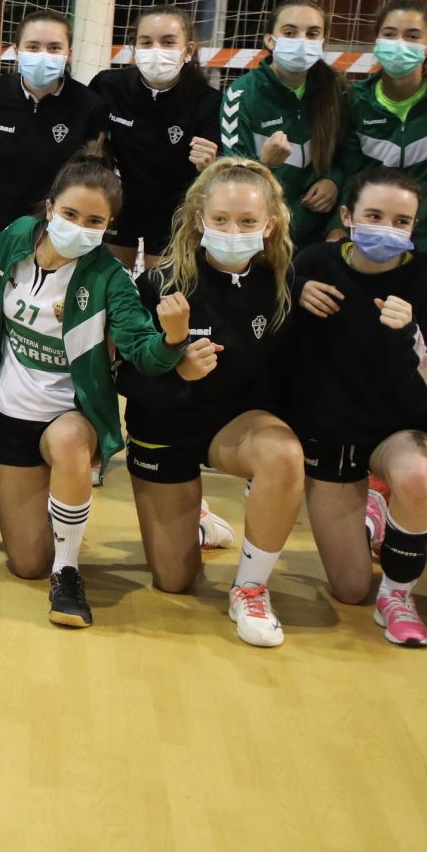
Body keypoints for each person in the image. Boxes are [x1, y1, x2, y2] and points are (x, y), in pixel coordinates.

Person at [0, 156, 189, 630]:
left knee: (69, 442)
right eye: (70, 215)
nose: (80, 227)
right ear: (50, 208)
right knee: (26, 562)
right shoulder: (16, 238)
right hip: (8, 415)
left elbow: (142, 351)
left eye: (95, 221)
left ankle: (67, 573)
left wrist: (172, 339)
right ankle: (56, 519)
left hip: (69, 416)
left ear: (110, 226)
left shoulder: (109, 278)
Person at [119, 157, 306, 647]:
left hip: (234, 424)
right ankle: (195, 515)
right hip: (163, 426)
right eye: (221, 219)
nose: (233, 230)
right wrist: (177, 369)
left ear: (269, 224)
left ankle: (249, 588)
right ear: (200, 219)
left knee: (284, 454)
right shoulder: (159, 284)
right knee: (174, 580)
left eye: (247, 221)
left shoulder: (282, 283)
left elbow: (288, 373)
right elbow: (123, 377)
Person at [291, 167, 427, 647]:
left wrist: (411, 337)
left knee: (417, 475)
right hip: (330, 437)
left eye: (401, 221)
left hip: (398, 429)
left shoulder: (423, 278)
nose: (388, 229)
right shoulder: (311, 262)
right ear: (348, 216)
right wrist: (291, 290)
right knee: (349, 590)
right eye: (374, 215)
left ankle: (397, 595)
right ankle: (372, 508)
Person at [0, 8, 108, 256]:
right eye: (33, 47)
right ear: (17, 51)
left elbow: (94, 172)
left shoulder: (89, 105)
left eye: (54, 48)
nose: (43, 55)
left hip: (56, 225)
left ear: (69, 54)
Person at [90, 5, 221, 267]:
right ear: (135, 47)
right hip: (118, 203)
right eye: (146, 42)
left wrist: (211, 166)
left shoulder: (208, 102)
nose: (156, 50)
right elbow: (85, 140)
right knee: (111, 286)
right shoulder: (107, 86)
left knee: (160, 294)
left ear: (189, 50)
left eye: (168, 42)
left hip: (174, 209)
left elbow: (220, 171)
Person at [220, 0, 352, 247]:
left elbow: (348, 158)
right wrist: (264, 165)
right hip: (262, 236)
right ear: (270, 40)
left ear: (324, 39)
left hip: (319, 236)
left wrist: (332, 180)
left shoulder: (335, 89)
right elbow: (232, 178)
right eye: (290, 33)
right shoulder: (241, 95)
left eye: (312, 33)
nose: (301, 41)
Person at [345, 0, 427, 248]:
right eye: (389, 34)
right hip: (369, 233)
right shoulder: (354, 101)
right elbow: (347, 171)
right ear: (376, 41)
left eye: (413, 36)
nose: (399, 43)